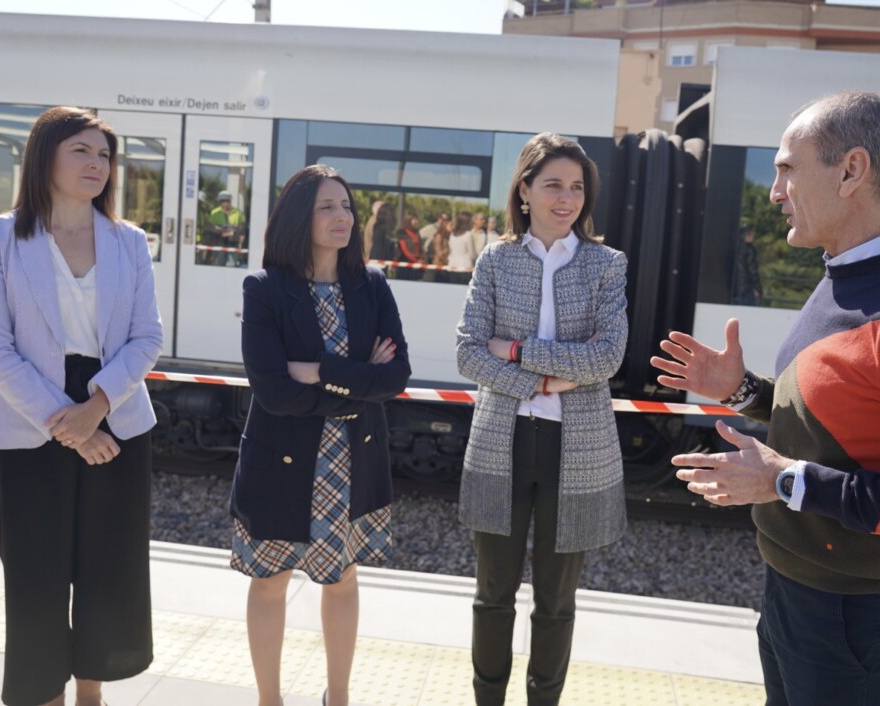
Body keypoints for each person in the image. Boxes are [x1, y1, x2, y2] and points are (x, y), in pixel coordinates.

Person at [650, 92, 880, 706]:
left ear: (851, 172)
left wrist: (786, 482)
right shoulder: (844, 276)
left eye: (788, 167)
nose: (774, 190)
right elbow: (846, 416)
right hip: (795, 597)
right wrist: (740, 391)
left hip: (857, 626)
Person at [0, 106, 163, 706]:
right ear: (43, 155)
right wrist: (72, 425)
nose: (97, 164)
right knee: (35, 582)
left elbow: (146, 338)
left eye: (104, 155)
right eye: (82, 150)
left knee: (108, 573)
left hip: (118, 413)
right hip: (26, 426)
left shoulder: (129, 242)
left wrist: (97, 405)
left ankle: (91, 698)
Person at [456, 132, 628, 706]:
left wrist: (514, 350)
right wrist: (547, 380)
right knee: (492, 596)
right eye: (553, 184)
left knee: (556, 602)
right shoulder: (496, 259)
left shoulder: (607, 264)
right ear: (524, 190)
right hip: (501, 444)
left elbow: (607, 359)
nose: (566, 197)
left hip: (575, 452)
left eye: (577, 187)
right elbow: (466, 352)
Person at [230, 164, 411, 706]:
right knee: (269, 582)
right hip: (282, 458)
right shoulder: (264, 289)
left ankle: (338, 697)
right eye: (326, 207)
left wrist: (318, 368)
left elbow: (396, 377)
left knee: (343, 579)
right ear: (297, 217)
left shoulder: (371, 285)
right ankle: (270, 700)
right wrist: (358, 381)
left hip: (351, 459)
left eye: (347, 206)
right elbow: (271, 390)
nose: (342, 217)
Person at [207, 190, 246, 266]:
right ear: (220, 202)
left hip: (233, 242)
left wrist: (238, 233)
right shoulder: (214, 213)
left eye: (227, 201)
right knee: (219, 263)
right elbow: (209, 227)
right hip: (219, 241)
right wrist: (219, 229)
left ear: (230, 201)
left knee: (232, 264)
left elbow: (242, 227)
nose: (225, 203)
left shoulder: (238, 212)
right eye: (223, 201)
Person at [731, 224, 762, 306]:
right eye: (750, 234)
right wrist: (758, 289)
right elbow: (753, 271)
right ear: (746, 236)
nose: (753, 236)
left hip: (735, 291)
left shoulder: (735, 249)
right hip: (747, 291)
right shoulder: (749, 250)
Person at [395, 210, 425, 282]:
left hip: (417, 262)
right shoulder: (402, 233)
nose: (416, 222)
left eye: (417, 220)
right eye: (414, 220)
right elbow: (405, 250)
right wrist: (415, 261)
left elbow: (420, 247)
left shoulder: (416, 232)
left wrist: (421, 259)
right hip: (405, 262)